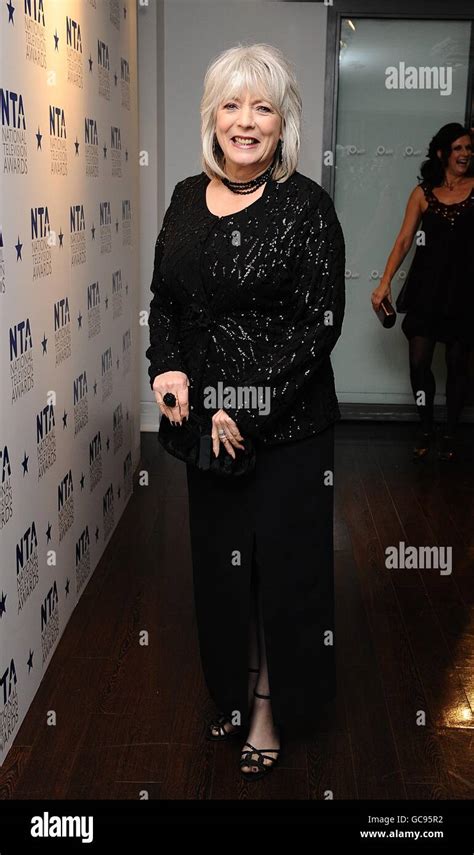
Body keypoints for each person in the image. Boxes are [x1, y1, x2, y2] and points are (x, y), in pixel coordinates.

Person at [145, 43, 345, 781]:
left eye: (262, 106)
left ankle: (270, 703)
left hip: (287, 431)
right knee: (223, 572)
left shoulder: (306, 208)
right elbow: (167, 300)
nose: (246, 121)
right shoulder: (183, 198)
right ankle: (232, 688)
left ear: (282, 119)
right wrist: (166, 366)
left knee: (280, 576)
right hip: (206, 435)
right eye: (231, 104)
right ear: (213, 116)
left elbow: (318, 322)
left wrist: (242, 402)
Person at [372, 123, 474, 461]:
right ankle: (426, 426)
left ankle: (451, 433)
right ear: (443, 153)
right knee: (419, 363)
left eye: (469, 148)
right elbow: (404, 241)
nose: (465, 154)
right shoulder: (423, 193)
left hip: (464, 291)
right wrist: (385, 282)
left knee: (458, 365)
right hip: (426, 289)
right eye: (458, 148)